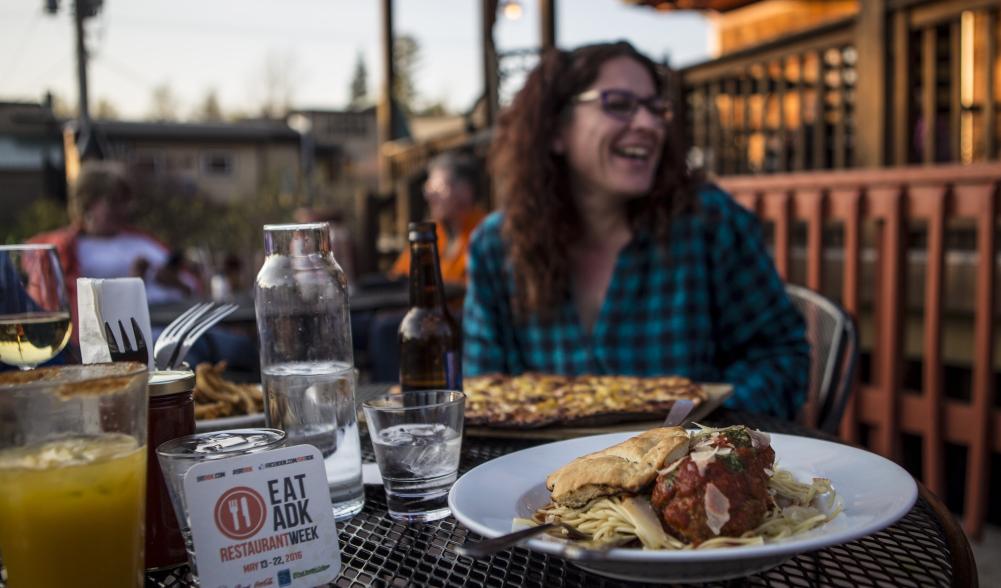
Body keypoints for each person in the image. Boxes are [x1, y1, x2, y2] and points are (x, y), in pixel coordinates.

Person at [462, 41, 810, 419]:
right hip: (539, 475)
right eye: (619, 104)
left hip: (686, 469)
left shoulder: (710, 223)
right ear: (556, 130)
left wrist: (705, 426)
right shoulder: (497, 246)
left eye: (656, 108)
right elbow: (484, 390)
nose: (649, 125)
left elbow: (781, 357)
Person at [29, 161, 196, 343]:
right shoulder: (66, 250)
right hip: (127, 343)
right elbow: (62, 307)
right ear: (88, 204)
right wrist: (132, 284)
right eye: (114, 202)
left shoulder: (144, 241)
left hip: (178, 329)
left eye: (125, 202)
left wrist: (175, 281)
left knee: (226, 345)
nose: (123, 209)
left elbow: (194, 288)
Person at [388, 150, 488, 284]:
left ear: (465, 191)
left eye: (439, 188)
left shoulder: (486, 234)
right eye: (428, 189)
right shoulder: (430, 233)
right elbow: (398, 277)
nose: (430, 197)